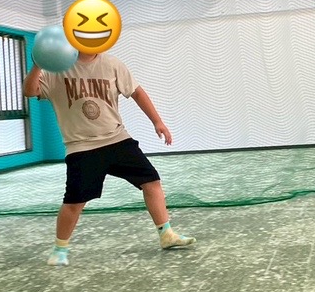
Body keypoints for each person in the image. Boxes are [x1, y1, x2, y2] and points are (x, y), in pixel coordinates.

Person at [23, 50, 195, 266]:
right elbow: (30, 91)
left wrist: (157, 122)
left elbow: (137, 92)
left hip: (117, 139)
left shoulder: (112, 64)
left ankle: (166, 234)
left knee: (151, 181)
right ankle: (60, 249)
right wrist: (38, 65)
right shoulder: (58, 68)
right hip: (81, 147)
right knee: (74, 202)